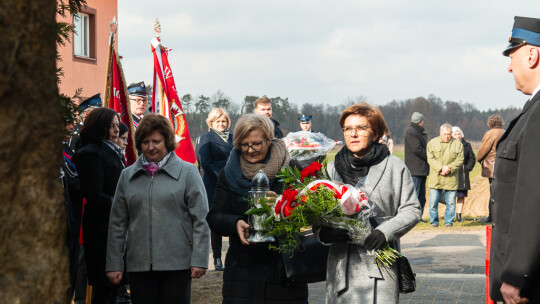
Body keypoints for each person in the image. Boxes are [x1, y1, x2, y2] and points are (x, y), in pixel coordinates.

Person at [315, 103, 421, 303]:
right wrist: (324, 232)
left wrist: (385, 231)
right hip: (341, 271)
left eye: (361, 128)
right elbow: (318, 216)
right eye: (348, 129)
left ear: (376, 134)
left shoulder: (393, 167)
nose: (353, 134)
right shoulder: (330, 170)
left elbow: (412, 209)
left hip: (379, 269)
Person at [106, 114, 210, 304]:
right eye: (145, 142)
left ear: (167, 141)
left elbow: (200, 219)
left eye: (156, 141)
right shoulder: (127, 176)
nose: (151, 147)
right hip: (139, 265)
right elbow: (117, 225)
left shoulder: (188, 172)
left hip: (177, 264)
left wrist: (200, 259)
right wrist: (113, 263)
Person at [206, 114, 308, 304]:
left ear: (269, 140)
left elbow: (308, 213)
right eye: (244, 145)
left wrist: (281, 207)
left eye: (256, 144)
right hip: (243, 275)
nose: (250, 150)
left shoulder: (291, 169)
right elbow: (214, 216)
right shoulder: (229, 173)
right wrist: (235, 222)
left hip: (284, 272)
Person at [489, 16, 540, 303]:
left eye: (513, 56)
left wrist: (516, 274)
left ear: (532, 55)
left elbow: (533, 199)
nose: (509, 67)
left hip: (527, 280)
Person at [72, 108, 126, 303]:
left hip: (115, 224)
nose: (116, 130)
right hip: (100, 227)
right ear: (99, 126)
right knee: (105, 287)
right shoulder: (91, 153)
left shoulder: (112, 150)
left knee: (114, 287)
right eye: (110, 126)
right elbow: (93, 194)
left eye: (117, 125)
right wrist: (120, 206)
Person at [196, 108, 234, 271]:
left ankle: (233, 257)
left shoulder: (234, 138)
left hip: (233, 183)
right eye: (218, 121)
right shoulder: (205, 138)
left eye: (224, 121)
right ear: (211, 123)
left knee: (234, 219)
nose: (221, 124)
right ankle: (217, 257)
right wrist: (221, 176)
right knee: (216, 221)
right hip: (214, 184)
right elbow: (205, 162)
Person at [426, 123, 464, 227]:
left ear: (451, 134)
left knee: (451, 203)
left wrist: (449, 168)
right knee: (433, 202)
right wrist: (440, 168)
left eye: (448, 134)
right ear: (440, 133)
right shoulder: (432, 143)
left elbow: (460, 159)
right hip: (436, 178)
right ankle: (434, 222)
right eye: (444, 134)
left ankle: (449, 222)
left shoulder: (458, 144)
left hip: (451, 178)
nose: (446, 136)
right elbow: (430, 158)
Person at [475, 114, 504, 223]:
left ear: (490, 123)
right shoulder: (505, 132)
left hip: (491, 166)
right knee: (501, 192)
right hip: (503, 165)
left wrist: (478, 159)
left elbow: (483, 150)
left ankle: (491, 217)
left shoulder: (490, 133)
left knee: (493, 193)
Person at [404, 112, 429, 216]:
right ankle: (414, 216)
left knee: (421, 195)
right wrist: (429, 157)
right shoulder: (411, 132)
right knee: (416, 194)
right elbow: (417, 149)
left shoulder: (414, 131)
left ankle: (419, 215)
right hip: (416, 169)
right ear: (421, 122)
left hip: (420, 169)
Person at [451, 126, 475, 222]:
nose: (458, 136)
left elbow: (472, 158)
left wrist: (467, 168)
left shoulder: (467, 145)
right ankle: (450, 215)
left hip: (463, 175)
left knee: (461, 195)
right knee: (451, 196)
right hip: (452, 174)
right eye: (455, 134)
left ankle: (459, 215)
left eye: (459, 134)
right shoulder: (449, 145)